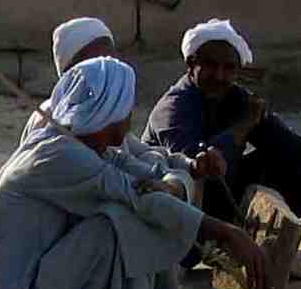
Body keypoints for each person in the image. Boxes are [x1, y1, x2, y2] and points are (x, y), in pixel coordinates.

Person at [0, 56, 266, 289]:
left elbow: (146, 173)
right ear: (108, 113)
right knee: (119, 221)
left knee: (135, 211)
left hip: (39, 286)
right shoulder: (58, 154)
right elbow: (139, 196)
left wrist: (177, 180)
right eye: (126, 111)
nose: (129, 119)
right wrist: (227, 232)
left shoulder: (85, 145)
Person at [142, 19, 301, 223]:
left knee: (296, 158)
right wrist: (243, 126)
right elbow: (194, 167)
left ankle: (253, 233)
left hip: (217, 199)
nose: (220, 76)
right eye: (210, 65)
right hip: (178, 210)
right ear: (191, 65)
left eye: (229, 68)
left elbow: (292, 145)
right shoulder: (174, 106)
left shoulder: (237, 98)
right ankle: (222, 239)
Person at [17, 17, 226, 191]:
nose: (107, 70)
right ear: (71, 74)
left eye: (110, 59)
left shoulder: (104, 116)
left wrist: (191, 166)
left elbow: (138, 154)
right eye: (95, 64)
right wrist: (171, 186)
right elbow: (117, 185)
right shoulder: (55, 121)